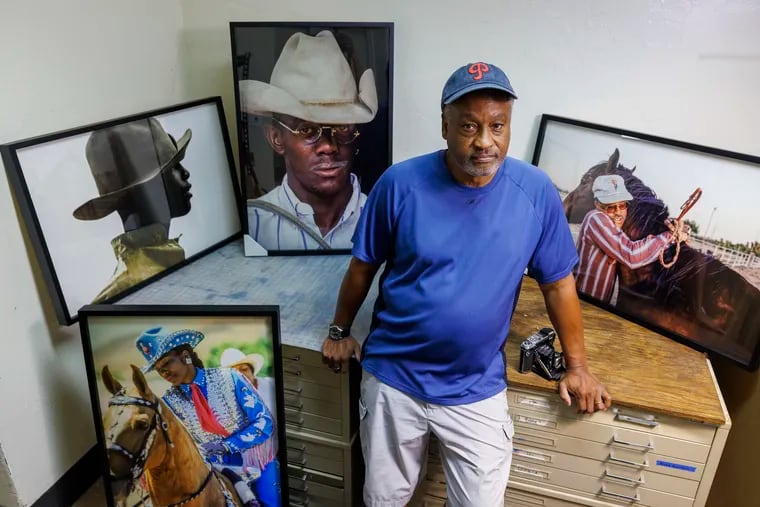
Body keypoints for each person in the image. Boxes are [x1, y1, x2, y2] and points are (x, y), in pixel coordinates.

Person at [321, 61, 612, 506]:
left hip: (474, 387)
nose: (484, 142)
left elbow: (558, 284)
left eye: (497, 126)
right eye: (469, 126)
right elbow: (363, 267)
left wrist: (578, 366)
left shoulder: (534, 193)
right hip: (394, 379)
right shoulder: (399, 184)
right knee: (382, 500)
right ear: (444, 125)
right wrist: (339, 332)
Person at [238, 30, 377, 250]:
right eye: (307, 130)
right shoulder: (255, 224)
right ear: (276, 138)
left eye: (341, 127)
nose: (329, 146)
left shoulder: (380, 220)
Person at [136, 327, 281, 507]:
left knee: (270, 501)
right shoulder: (168, 404)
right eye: (158, 370)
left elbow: (264, 422)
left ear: (185, 356)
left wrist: (226, 445)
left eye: (166, 363)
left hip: (254, 458)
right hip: (208, 468)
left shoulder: (230, 377)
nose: (164, 373)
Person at [73, 117, 193, 302]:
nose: (185, 173)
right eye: (172, 168)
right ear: (144, 191)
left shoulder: (160, 262)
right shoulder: (122, 294)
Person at [574, 174, 688, 305]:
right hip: (581, 303)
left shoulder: (614, 225)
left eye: (622, 205)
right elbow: (631, 255)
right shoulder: (595, 218)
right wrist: (670, 236)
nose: (618, 212)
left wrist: (675, 228)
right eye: (611, 207)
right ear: (597, 204)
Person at [220, 347, 277, 414]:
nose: (240, 374)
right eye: (234, 373)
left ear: (252, 371)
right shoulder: (229, 401)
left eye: (244, 369)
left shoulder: (272, 384)